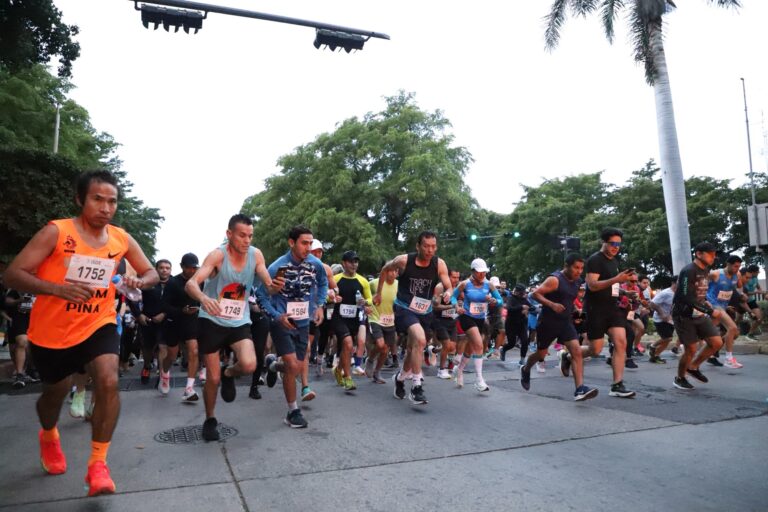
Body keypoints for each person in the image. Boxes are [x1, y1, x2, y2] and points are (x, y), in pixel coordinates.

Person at [4, 170, 159, 496]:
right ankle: (49, 435)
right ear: (80, 199)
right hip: (52, 332)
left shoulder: (120, 238)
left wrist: (139, 280)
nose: (105, 207)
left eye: (112, 201)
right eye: (97, 199)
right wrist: (57, 289)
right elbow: (13, 274)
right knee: (53, 396)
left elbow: (151, 273)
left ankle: (98, 465)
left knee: (108, 379)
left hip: (98, 323)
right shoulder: (56, 232)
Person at [184, 214, 280, 441]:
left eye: (250, 236)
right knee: (212, 379)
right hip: (212, 320)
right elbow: (191, 284)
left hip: (239, 320)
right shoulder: (217, 255)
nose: (247, 240)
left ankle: (229, 373)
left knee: (249, 364)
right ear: (229, 234)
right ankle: (210, 419)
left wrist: (275, 286)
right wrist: (203, 298)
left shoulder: (256, 255)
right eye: (242, 235)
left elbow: (269, 286)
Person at [258, 225, 328, 428]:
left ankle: (273, 365)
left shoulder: (315, 264)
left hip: (304, 321)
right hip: (282, 321)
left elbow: (323, 284)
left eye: (310, 243)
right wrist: (276, 316)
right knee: (291, 365)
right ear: (291, 242)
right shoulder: (276, 267)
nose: (308, 248)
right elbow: (261, 296)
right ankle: (293, 411)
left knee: (295, 367)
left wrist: (319, 305)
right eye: (304, 243)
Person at [375, 230, 453, 405]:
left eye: (433, 246)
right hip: (404, 308)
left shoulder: (439, 264)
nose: (430, 250)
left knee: (413, 349)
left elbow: (449, 286)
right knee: (420, 340)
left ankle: (400, 378)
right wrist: (378, 293)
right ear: (418, 246)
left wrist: (448, 293)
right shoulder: (404, 261)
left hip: (424, 311)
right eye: (426, 246)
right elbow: (385, 269)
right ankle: (416, 386)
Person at [522, 253, 597, 401]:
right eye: (576, 267)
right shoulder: (555, 280)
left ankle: (580, 389)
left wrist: (576, 312)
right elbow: (535, 294)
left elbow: (568, 299)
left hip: (565, 322)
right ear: (566, 266)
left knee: (576, 351)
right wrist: (552, 305)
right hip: (548, 322)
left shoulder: (577, 281)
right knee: (541, 355)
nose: (579, 271)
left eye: (581, 268)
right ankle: (526, 368)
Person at [581, 228, 636, 398]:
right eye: (613, 243)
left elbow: (612, 285)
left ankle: (617, 385)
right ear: (603, 242)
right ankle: (568, 356)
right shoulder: (594, 260)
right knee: (595, 350)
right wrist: (617, 279)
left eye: (618, 244)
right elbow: (592, 285)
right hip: (595, 309)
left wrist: (624, 292)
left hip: (612, 308)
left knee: (621, 342)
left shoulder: (614, 262)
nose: (616, 247)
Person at [671, 242, 725, 390]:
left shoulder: (705, 270)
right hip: (683, 314)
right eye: (710, 254)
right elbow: (686, 296)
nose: (713, 257)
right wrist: (710, 311)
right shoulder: (688, 270)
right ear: (699, 254)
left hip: (699, 313)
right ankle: (680, 378)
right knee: (691, 349)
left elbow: (699, 291)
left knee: (716, 342)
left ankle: (693, 367)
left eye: (714, 255)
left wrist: (705, 301)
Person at [451, 258, 502, 392]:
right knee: (479, 345)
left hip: (480, 319)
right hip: (467, 317)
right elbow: (453, 297)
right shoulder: (465, 284)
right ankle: (479, 380)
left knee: (470, 349)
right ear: (473, 271)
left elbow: (500, 300)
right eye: (479, 272)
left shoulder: (489, 285)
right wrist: (457, 307)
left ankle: (459, 370)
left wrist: (494, 301)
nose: (482, 274)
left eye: (484, 272)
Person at [330, 251, 372, 391]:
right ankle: (348, 378)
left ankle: (338, 369)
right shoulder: (335, 279)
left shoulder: (362, 281)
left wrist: (366, 302)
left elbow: (370, 299)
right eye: (350, 262)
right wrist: (333, 298)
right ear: (344, 263)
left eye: (356, 262)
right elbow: (326, 295)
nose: (354, 265)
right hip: (339, 317)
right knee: (348, 344)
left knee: (347, 348)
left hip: (354, 318)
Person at [163, 253, 203, 402]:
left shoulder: (200, 281)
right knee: (172, 355)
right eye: (189, 268)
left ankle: (189, 389)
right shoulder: (173, 282)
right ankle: (164, 373)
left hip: (191, 321)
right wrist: (181, 311)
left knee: (194, 351)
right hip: (173, 321)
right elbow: (164, 305)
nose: (192, 271)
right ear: (182, 267)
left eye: (194, 268)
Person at [705, 255, 744, 369]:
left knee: (734, 334)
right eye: (735, 266)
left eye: (739, 267)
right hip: (713, 305)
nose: (737, 269)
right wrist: (704, 300)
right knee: (732, 328)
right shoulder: (715, 274)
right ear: (728, 264)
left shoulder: (737, 274)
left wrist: (740, 290)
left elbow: (738, 286)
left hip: (723, 306)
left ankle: (710, 352)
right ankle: (729, 359)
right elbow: (701, 282)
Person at [366, 266, 399, 384]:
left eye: (395, 271)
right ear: (384, 272)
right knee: (380, 345)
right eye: (390, 271)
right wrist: (366, 305)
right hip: (375, 318)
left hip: (390, 320)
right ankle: (370, 360)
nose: (393, 273)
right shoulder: (374, 283)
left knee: (385, 350)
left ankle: (377, 372)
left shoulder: (399, 285)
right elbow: (363, 294)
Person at [431, 269, 461, 379]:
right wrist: (450, 306)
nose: (456, 280)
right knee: (447, 345)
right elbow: (435, 306)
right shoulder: (440, 287)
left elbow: (455, 301)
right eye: (453, 277)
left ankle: (432, 350)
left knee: (452, 347)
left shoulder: (456, 288)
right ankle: (441, 370)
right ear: (447, 277)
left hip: (452, 320)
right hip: (439, 320)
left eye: (458, 277)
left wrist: (458, 307)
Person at [647, 277, 677, 363]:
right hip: (660, 319)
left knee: (667, 340)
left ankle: (655, 356)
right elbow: (652, 303)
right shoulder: (666, 293)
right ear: (673, 283)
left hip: (670, 319)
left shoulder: (680, 293)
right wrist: (662, 314)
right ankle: (653, 345)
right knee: (668, 338)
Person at [501, 284, 530, 365]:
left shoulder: (524, 299)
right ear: (517, 292)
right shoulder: (511, 298)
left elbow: (531, 307)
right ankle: (503, 349)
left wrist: (528, 309)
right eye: (521, 293)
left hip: (522, 323)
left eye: (523, 293)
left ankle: (522, 359)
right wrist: (521, 307)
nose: (523, 294)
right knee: (512, 343)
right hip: (511, 324)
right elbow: (509, 308)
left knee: (525, 341)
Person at [740, 265, 763, 339]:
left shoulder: (755, 278)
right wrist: (755, 292)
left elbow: (758, 287)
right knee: (737, 319)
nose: (758, 273)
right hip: (742, 301)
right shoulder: (745, 279)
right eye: (757, 272)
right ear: (752, 272)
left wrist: (762, 292)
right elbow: (745, 293)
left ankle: (750, 334)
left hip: (751, 301)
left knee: (759, 318)